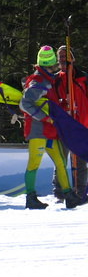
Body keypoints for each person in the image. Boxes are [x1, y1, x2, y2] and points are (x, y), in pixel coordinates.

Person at [20, 45, 80, 209]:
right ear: (51, 63)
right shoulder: (40, 81)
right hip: (38, 131)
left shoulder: (47, 80)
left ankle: (69, 195)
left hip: (49, 131)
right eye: (55, 62)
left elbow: (47, 102)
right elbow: (25, 103)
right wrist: (45, 117)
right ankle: (31, 198)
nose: (57, 65)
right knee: (34, 164)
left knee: (60, 162)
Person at [52, 45, 88, 202]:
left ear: (72, 58)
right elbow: (51, 100)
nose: (62, 59)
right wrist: (62, 102)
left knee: (80, 161)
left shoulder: (83, 78)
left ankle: (81, 193)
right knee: (61, 160)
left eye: (65, 56)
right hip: (64, 125)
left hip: (81, 125)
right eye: (60, 56)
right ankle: (59, 193)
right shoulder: (56, 79)